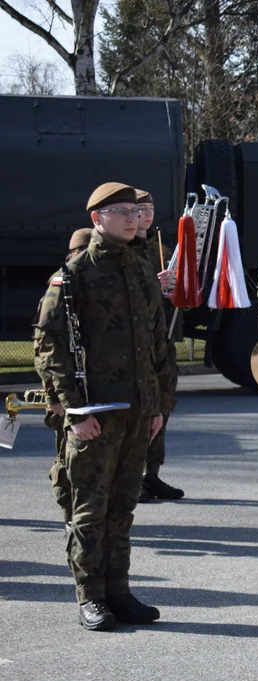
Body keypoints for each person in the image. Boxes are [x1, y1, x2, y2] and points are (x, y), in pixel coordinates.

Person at [33, 182, 171, 631]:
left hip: (137, 409)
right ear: (97, 219)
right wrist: (73, 410)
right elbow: (48, 344)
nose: (133, 218)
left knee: (122, 506)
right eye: (121, 212)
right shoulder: (75, 274)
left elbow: (157, 344)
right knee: (89, 508)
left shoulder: (140, 269)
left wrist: (157, 406)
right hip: (95, 411)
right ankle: (90, 596)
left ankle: (119, 591)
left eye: (135, 210)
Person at [36, 228, 93, 534]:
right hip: (64, 391)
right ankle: (69, 512)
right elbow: (45, 351)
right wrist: (53, 397)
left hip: (89, 390)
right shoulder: (61, 287)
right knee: (66, 459)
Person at [130, 189, 184, 501]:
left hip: (163, 341)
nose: (146, 214)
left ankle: (153, 474)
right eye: (139, 208)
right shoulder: (124, 250)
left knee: (162, 407)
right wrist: (154, 284)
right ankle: (133, 476)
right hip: (138, 344)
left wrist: (176, 289)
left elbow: (180, 299)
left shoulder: (163, 248)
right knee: (140, 411)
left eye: (150, 207)